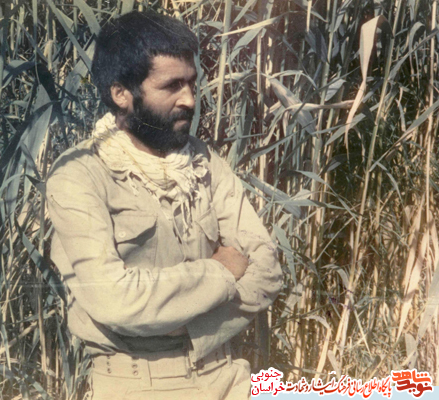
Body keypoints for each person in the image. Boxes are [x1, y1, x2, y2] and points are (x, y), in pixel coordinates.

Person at [46, 10, 282, 400]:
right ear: (121, 94)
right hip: (137, 385)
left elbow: (267, 269)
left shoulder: (203, 161)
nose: (189, 100)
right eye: (171, 86)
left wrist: (176, 322)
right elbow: (114, 301)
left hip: (229, 376)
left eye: (192, 83)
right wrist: (220, 272)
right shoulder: (79, 175)